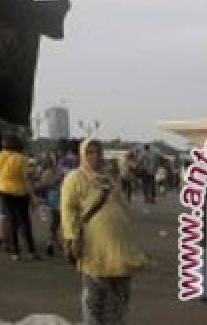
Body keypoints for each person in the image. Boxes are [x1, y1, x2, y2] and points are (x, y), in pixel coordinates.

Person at [61, 139, 149, 325]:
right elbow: (68, 210)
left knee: (120, 296)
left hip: (120, 247)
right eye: (90, 152)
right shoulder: (74, 178)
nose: (96, 156)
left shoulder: (108, 179)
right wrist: (72, 238)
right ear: (83, 155)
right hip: (94, 246)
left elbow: (123, 206)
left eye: (98, 152)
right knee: (95, 297)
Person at [0, 135, 39, 260]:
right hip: (21, 193)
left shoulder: (0, 157)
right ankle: (31, 251)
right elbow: (28, 179)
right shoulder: (23, 159)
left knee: (11, 220)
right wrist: (33, 197)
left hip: (4, 191)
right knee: (25, 221)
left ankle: (15, 253)